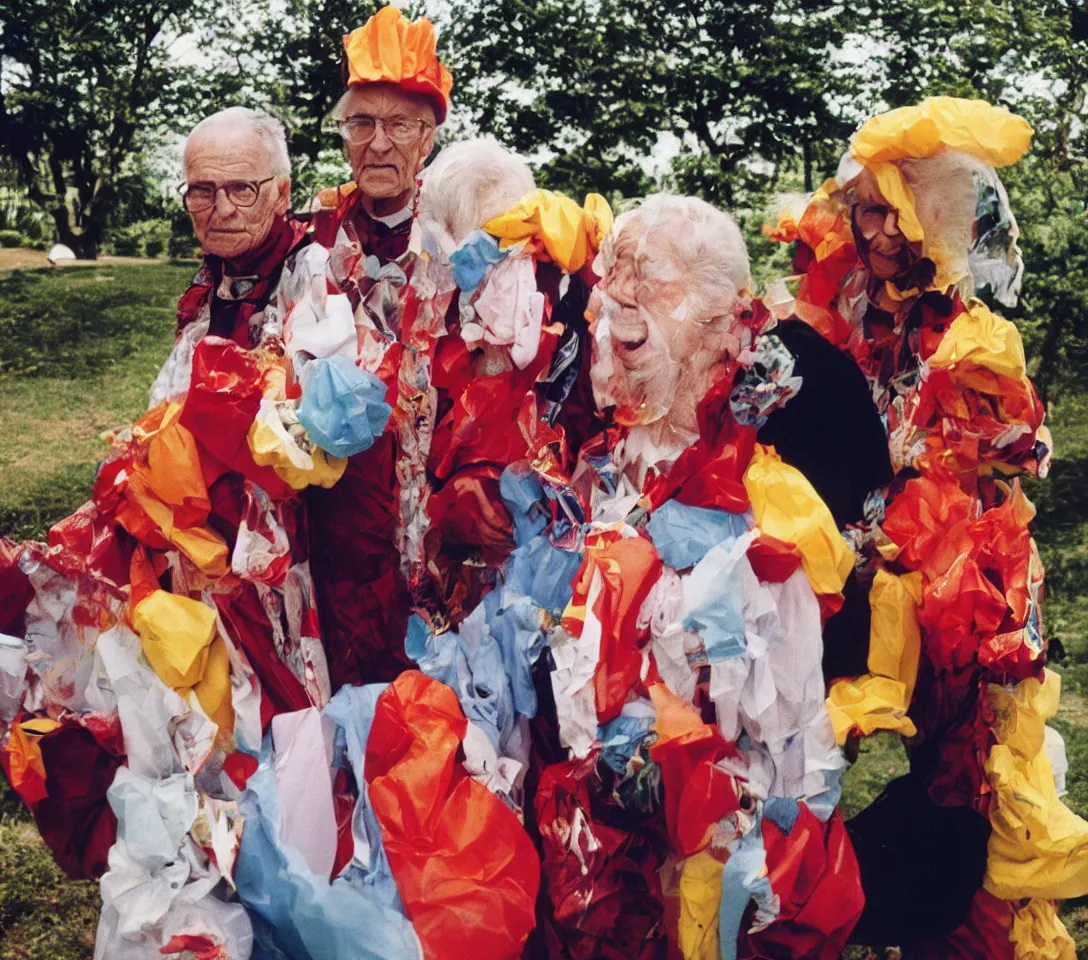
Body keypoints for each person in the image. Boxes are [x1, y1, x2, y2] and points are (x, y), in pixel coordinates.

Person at [771, 97, 1082, 958]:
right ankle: (809, 907)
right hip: (850, 570)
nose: (874, 229)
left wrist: (994, 433)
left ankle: (962, 930)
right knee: (804, 743)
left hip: (958, 580)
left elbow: (1020, 445)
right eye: (863, 207)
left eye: (891, 210)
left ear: (931, 214)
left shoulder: (969, 328)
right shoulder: (830, 299)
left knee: (971, 772)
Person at [152, 107, 309, 408]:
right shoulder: (212, 279)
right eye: (202, 190)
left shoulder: (316, 277)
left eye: (241, 188)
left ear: (282, 193)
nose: (222, 209)